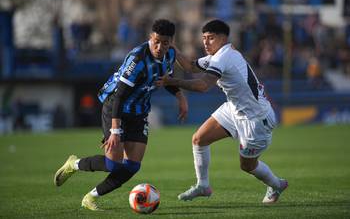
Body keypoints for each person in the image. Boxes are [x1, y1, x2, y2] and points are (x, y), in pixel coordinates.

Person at [54, 19, 188, 211]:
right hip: (116, 108)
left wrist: (180, 97)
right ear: (151, 37)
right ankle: (73, 164)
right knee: (112, 164)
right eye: (156, 41)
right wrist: (115, 131)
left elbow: (164, 79)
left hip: (139, 111)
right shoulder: (137, 59)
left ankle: (90, 197)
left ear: (171, 42)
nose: (160, 47)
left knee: (133, 165)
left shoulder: (170, 55)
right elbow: (120, 95)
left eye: (165, 43)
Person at [156, 19, 288, 204]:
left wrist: (171, 82)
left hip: (255, 119)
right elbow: (190, 66)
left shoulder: (223, 57)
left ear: (223, 38)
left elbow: (203, 86)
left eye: (210, 38)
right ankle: (203, 186)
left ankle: (277, 184)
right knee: (198, 139)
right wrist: (172, 47)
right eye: (204, 38)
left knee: (247, 166)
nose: (205, 42)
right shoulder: (217, 55)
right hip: (234, 108)